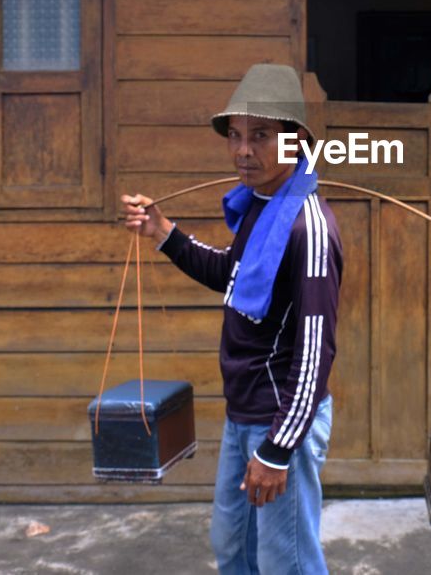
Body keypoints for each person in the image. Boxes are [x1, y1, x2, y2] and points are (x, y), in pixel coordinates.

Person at [123, 63, 341, 575]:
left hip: (278, 421)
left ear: (296, 142)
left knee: (285, 560)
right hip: (243, 413)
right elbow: (232, 274)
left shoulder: (307, 228)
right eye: (237, 136)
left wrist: (278, 449)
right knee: (234, 547)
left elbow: (315, 352)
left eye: (261, 135)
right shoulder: (261, 207)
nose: (244, 150)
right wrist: (163, 232)